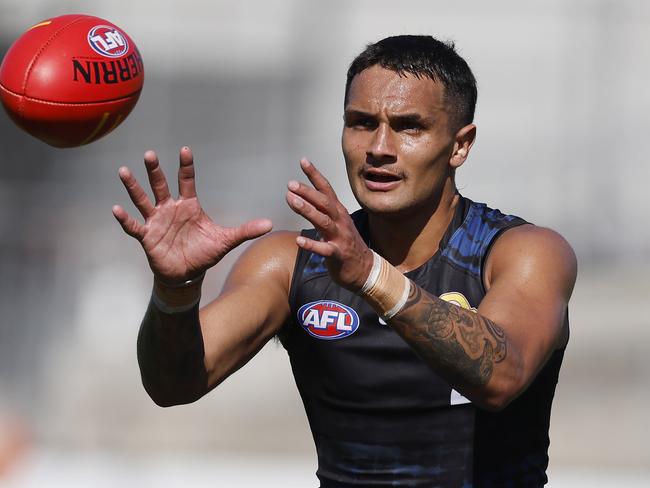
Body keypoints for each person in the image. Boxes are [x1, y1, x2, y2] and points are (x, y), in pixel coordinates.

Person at [113, 35, 577, 487]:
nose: (379, 147)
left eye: (408, 126)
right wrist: (175, 291)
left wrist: (372, 276)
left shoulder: (522, 252)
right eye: (360, 122)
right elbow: (172, 385)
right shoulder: (291, 263)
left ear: (460, 144)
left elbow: (501, 375)